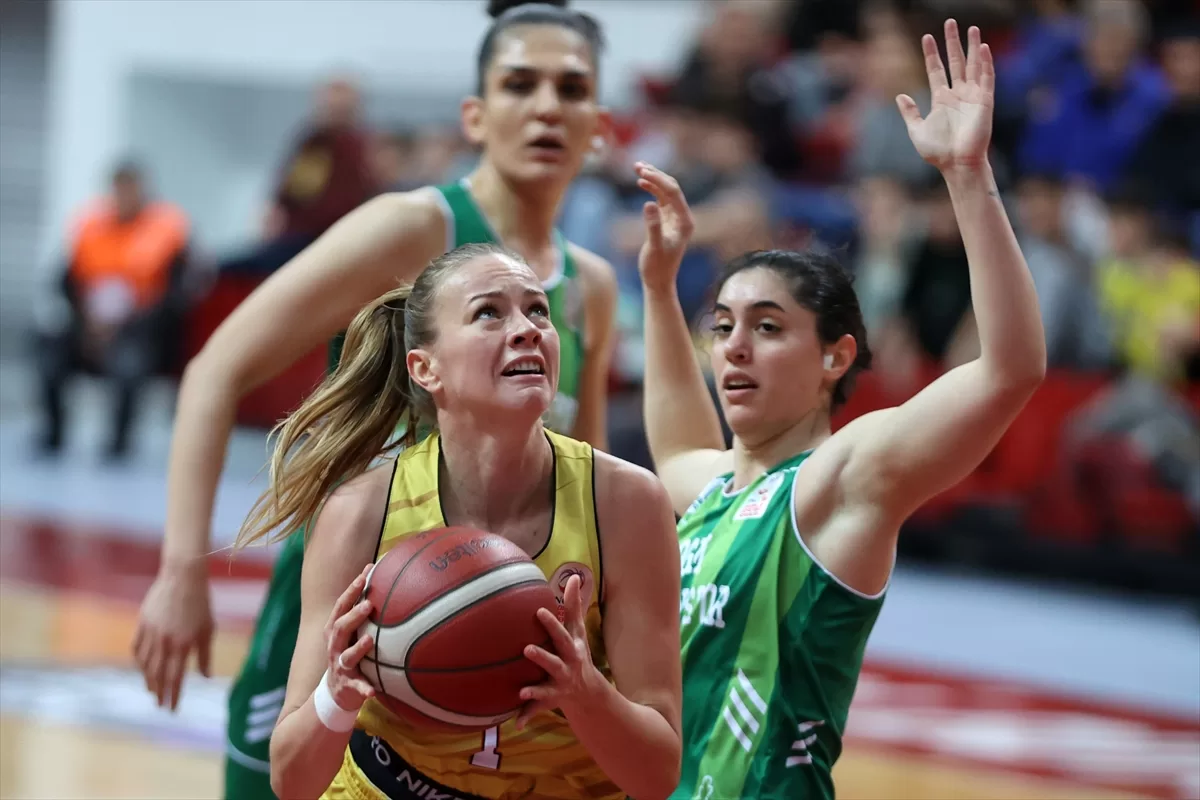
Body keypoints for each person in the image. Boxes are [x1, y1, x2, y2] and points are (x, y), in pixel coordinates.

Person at [131, 2, 621, 797]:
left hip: (496, 635)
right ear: (475, 114)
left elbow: (589, 484)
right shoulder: (412, 227)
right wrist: (181, 571)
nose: (545, 107)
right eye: (519, 84)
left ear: (599, 124)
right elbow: (215, 369)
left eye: (570, 89)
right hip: (348, 611)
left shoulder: (590, 286)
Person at [634, 21, 1046, 800]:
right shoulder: (715, 489)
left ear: (835, 357)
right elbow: (677, 450)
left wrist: (967, 177)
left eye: (767, 328)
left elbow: (1010, 371)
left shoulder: (840, 480)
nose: (734, 348)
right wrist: (660, 291)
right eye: (722, 327)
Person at [233, 242, 681, 800]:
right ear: (426, 368)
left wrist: (585, 692)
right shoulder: (361, 512)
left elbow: (657, 776)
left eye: (538, 311)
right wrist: (338, 694)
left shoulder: (626, 501)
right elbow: (292, 781)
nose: (527, 330)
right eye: (489, 312)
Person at [32, 160, 192, 460]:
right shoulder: (91, 227)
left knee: (130, 360)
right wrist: (86, 321)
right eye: (119, 189)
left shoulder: (166, 230)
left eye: (130, 189)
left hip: (139, 329)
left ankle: (118, 443)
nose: (124, 196)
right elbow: (65, 281)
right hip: (88, 325)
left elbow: (176, 295)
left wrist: (129, 324)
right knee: (48, 346)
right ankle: (53, 434)